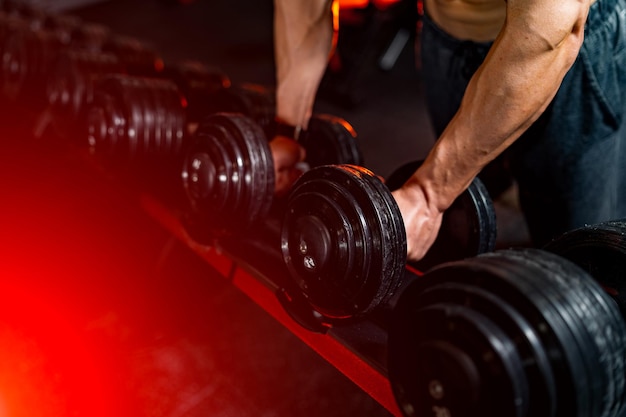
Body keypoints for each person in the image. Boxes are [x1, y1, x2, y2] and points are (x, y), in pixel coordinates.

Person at [271, 0, 626, 261]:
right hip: (448, 31)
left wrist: (428, 195)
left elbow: (549, 27)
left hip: (564, 39)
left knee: (578, 254)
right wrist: (291, 127)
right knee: (463, 220)